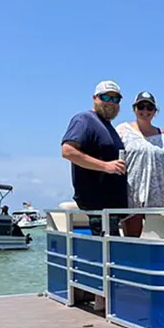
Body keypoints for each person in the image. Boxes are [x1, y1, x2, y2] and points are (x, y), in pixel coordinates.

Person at [61, 80, 127, 237]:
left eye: (115, 99)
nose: (111, 102)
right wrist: (106, 166)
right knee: (107, 256)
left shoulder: (108, 126)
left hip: (112, 209)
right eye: (106, 97)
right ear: (95, 98)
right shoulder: (84, 120)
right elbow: (68, 151)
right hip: (97, 208)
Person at [115, 92, 164, 236]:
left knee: (158, 245)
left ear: (155, 111)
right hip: (131, 200)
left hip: (158, 202)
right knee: (133, 243)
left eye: (149, 107)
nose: (145, 111)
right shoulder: (122, 131)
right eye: (141, 106)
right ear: (134, 109)